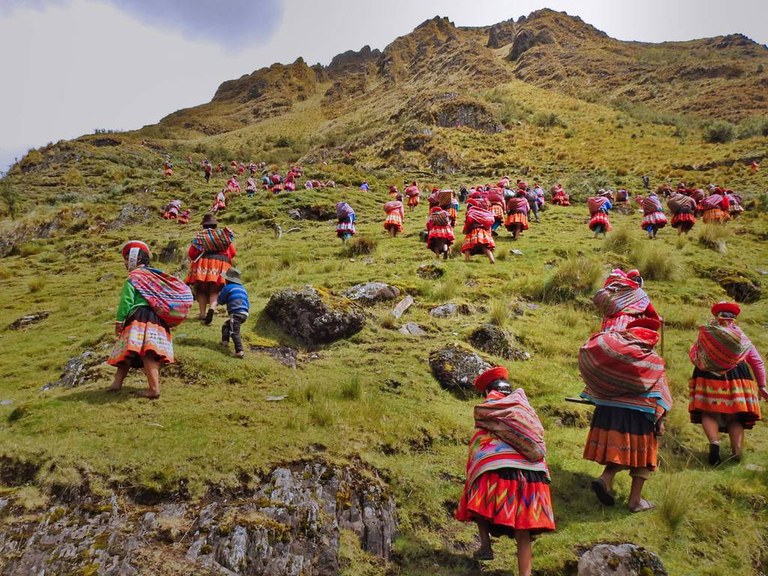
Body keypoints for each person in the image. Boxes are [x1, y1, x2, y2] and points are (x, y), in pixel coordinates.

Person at [455, 366, 555, 576]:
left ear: (487, 392)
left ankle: (485, 545)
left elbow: (477, 456)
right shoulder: (526, 412)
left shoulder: (489, 414)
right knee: (523, 532)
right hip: (534, 477)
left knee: (476, 489)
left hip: (498, 476)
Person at [579, 317, 672, 512]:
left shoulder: (615, 356)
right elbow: (661, 393)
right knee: (643, 456)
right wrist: (660, 420)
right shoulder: (653, 361)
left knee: (620, 451)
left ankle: (605, 479)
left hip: (609, 411)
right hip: (640, 415)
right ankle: (635, 500)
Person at [688, 301, 767, 465]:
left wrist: (704, 364)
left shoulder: (708, 334)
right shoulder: (741, 337)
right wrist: (762, 385)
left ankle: (714, 443)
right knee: (734, 417)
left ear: (717, 316)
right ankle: (736, 453)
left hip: (707, 376)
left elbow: (694, 353)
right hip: (736, 378)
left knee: (709, 412)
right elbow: (757, 361)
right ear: (734, 318)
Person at [107, 241, 176, 399]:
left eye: (127, 259)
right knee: (128, 351)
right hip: (157, 318)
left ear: (135, 258)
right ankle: (116, 384)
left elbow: (126, 300)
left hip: (139, 317)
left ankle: (154, 389)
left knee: (146, 353)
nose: (125, 263)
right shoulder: (155, 276)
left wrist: (119, 321)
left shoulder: (134, 277)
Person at [185, 214, 236, 322]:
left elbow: (191, 254)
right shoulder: (222, 237)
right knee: (215, 289)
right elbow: (233, 253)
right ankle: (212, 308)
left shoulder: (200, 236)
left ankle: (202, 314)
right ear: (215, 225)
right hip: (221, 263)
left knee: (201, 289)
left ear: (204, 225)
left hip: (203, 263)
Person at [593, 268, 659, 332]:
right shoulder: (640, 294)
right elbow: (652, 315)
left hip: (608, 326)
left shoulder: (614, 292)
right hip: (629, 325)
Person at [207, 267, 250, 359]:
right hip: (245, 313)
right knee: (226, 325)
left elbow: (221, 301)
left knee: (234, 332)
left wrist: (219, 296)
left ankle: (239, 351)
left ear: (227, 280)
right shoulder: (242, 288)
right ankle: (225, 342)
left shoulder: (227, 287)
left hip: (236, 313)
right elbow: (247, 301)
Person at [461, 199, 496, 263]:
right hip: (483, 232)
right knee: (485, 247)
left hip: (473, 231)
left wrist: (466, 230)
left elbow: (469, 221)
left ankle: (467, 260)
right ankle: (491, 259)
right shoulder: (482, 212)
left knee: (467, 246)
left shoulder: (471, 212)